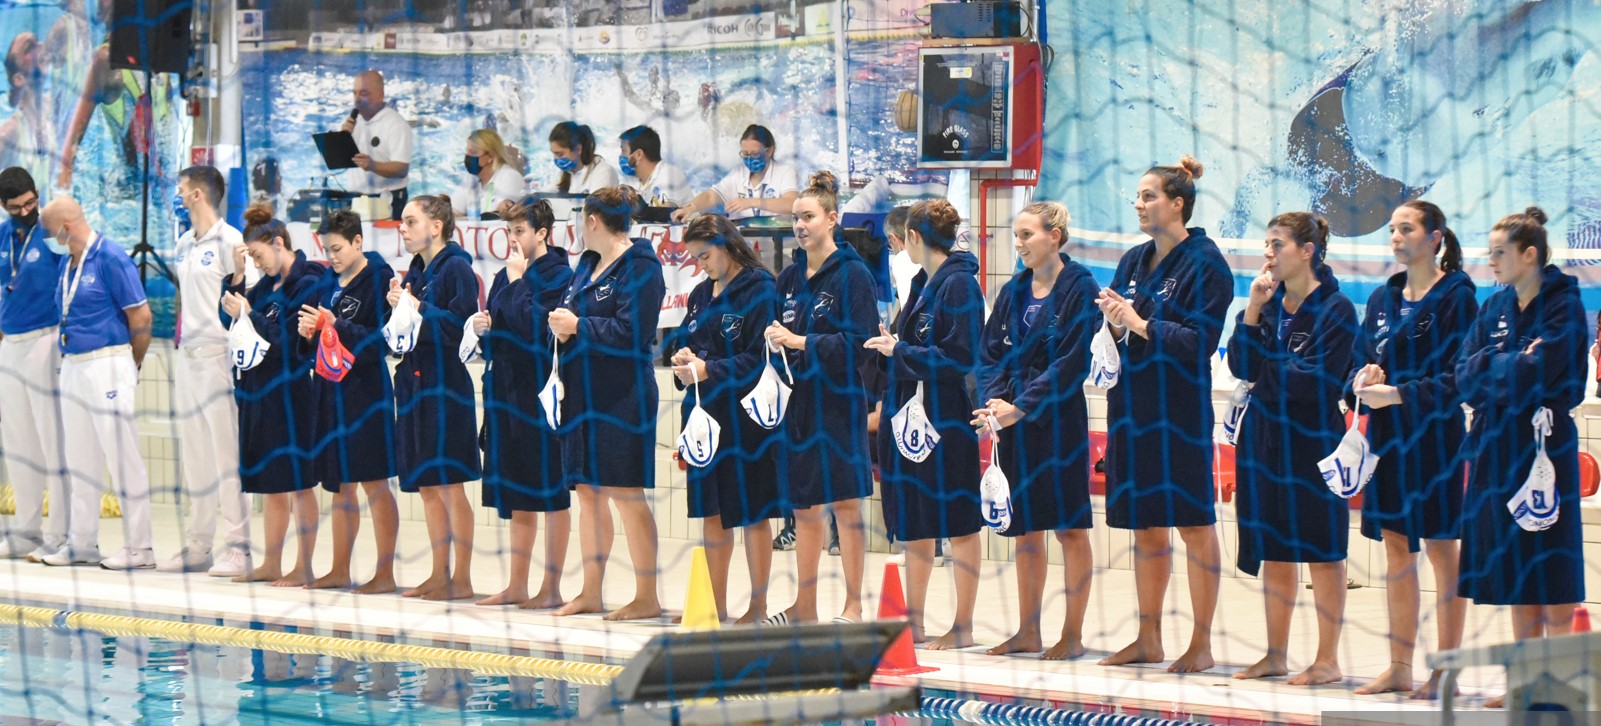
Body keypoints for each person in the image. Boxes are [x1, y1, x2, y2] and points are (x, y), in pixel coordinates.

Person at [1096, 156, 1230, 673]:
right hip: (1132, 408)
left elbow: (1201, 343)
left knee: (1193, 524)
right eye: (1137, 195)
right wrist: (1112, 324)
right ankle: (1148, 638)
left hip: (1179, 412)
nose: (1138, 204)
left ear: (1177, 204)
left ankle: (1201, 643)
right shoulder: (1133, 260)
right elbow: (1117, 327)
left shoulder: (1207, 263)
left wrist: (1139, 323)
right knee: (1146, 527)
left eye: (1148, 196)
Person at [1451, 206, 1586, 709]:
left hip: (1546, 447)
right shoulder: (1494, 306)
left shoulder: (1564, 306)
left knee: (1553, 569)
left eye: (1499, 253)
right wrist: (1509, 363)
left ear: (1529, 254)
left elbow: (1540, 374)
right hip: (1497, 445)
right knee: (1515, 570)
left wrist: (1497, 366)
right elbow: (1464, 374)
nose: (1491, 261)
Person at [1348, 200, 1474, 698]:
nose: (1396, 237)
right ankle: (1400, 666)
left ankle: (1447, 670)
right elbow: (1360, 358)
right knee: (1396, 548)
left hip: (1436, 440)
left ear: (1435, 237)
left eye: (1407, 229)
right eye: (1393, 229)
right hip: (1389, 438)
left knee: (1442, 549)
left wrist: (1398, 392)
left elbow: (1459, 378)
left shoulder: (1457, 298)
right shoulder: (1384, 297)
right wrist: (1361, 379)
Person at [1226, 212, 1357, 686]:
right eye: (1266, 243)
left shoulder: (1337, 309)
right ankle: (1275, 654)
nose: (1268, 253)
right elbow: (1241, 365)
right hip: (1264, 439)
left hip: (1313, 440)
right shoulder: (1268, 303)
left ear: (1306, 251)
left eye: (1276, 244)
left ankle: (1327, 659)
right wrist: (1252, 310)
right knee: (1275, 549)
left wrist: (1268, 370)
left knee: (1323, 550)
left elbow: (1315, 381)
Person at [975, 201, 1100, 660]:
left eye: (1027, 234)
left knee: (1069, 529)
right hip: (1013, 423)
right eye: (1017, 235)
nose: (1019, 243)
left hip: (1057, 423)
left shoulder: (1080, 287)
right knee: (1024, 530)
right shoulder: (1014, 290)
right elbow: (990, 353)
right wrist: (996, 402)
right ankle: (1028, 631)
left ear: (1055, 236)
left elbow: (1073, 361)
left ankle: (1073, 633)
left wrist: (1022, 406)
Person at [864, 199, 984, 648]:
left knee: (958, 523)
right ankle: (912, 622)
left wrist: (900, 351)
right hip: (908, 418)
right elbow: (908, 347)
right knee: (915, 520)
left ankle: (963, 626)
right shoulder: (921, 282)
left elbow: (961, 357)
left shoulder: (960, 285)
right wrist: (889, 349)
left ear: (914, 237)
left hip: (945, 419)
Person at [763, 171, 878, 625]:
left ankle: (854, 605)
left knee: (846, 506)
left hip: (838, 402)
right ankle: (804, 607)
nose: (799, 225)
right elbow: (778, 334)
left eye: (808, 217)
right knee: (805, 508)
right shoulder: (790, 278)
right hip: (798, 406)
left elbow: (860, 344)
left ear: (831, 219)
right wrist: (776, 344)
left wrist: (802, 342)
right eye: (795, 218)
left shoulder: (853, 275)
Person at [548, 186, 666, 621]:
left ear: (593, 220)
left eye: (582, 220)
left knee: (626, 493)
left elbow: (634, 334)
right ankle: (590, 592)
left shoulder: (642, 267)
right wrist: (561, 327)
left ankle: (647, 596)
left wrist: (579, 326)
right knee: (589, 493)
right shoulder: (587, 265)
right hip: (582, 393)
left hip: (623, 395)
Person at [666, 214, 781, 623]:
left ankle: (758, 606)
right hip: (704, 419)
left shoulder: (761, 289)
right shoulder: (701, 294)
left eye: (705, 255)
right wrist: (682, 359)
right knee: (712, 512)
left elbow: (760, 358)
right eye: (695, 258)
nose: (701, 265)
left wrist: (708, 369)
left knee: (752, 513)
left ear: (727, 245)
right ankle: (714, 605)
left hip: (745, 422)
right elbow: (685, 342)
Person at [36, 197, 154, 569]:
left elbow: (141, 316)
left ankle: (140, 547)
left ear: (65, 227)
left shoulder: (111, 257)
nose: (46, 240)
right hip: (73, 365)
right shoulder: (67, 263)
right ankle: (82, 543)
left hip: (108, 364)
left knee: (122, 457)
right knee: (79, 459)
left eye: (48, 232)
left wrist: (131, 364)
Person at [473, 198, 573, 610]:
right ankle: (516, 585)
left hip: (541, 397)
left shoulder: (560, 275)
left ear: (542, 233)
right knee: (516, 494)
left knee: (551, 493)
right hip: (505, 393)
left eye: (519, 231)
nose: (512, 239)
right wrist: (483, 330)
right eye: (508, 231)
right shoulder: (505, 274)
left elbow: (538, 331)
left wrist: (516, 284)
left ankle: (551, 587)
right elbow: (502, 334)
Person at [297, 210, 400, 594]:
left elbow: (382, 342)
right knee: (340, 485)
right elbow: (319, 339)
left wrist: (335, 324)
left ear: (358, 242)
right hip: (330, 392)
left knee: (375, 483)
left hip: (366, 394)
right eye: (327, 249)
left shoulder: (379, 279)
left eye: (338, 248)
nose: (332, 256)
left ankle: (385, 573)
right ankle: (340, 569)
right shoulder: (328, 282)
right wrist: (309, 333)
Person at [222, 205, 326, 585]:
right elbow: (230, 321)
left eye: (258, 255)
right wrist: (237, 278)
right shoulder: (266, 286)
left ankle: (304, 565)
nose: (257, 264)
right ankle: (271, 562)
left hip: (293, 394)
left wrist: (251, 314)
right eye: (251, 258)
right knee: (271, 484)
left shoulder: (309, 282)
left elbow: (290, 344)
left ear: (279, 243)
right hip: (260, 393)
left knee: (299, 483)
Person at [159, 165, 253, 577]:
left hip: (219, 355)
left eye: (182, 189)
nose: (178, 196)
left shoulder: (232, 241)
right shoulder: (184, 243)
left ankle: (240, 547)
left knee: (226, 455)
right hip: (188, 355)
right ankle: (199, 545)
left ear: (197, 194)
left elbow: (246, 301)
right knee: (194, 454)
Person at [387, 194, 482, 600]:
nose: (403, 228)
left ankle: (462, 577)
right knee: (427, 485)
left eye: (410, 221)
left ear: (436, 227)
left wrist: (417, 306)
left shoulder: (457, 268)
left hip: (446, 387)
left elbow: (462, 327)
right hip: (416, 385)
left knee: (449, 486)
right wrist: (397, 309)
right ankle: (439, 572)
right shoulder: (417, 270)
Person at [0, 167, 67, 562]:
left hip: (47, 338)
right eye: (16, 208)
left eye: (30, 203)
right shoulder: (3, 236)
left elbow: (71, 280)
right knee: (18, 441)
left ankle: (59, 533)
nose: (26, 212)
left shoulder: (52, 232)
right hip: (11, 344)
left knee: (53, 440)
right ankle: (26, 531)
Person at [671, 125, 799, 223]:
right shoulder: (738, 174)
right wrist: (690, 208)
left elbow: (792, 204)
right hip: (743, 245)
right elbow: (711, 195)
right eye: (745, 154)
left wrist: (751, 202)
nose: (749, 159)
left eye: (755, 154)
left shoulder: (785, 172)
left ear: (769, 151)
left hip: (777, 245)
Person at [337, 70, 412, 220]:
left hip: (387, 200)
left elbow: (402, 169)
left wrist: (373, 165)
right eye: (354, 93)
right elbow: (339, 162)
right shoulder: (352, 123)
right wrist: (342, 139)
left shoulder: (396, 125)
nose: (357, 99)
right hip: (356, 199)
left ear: (380, 95)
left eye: (363, 93)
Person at [453, 128, 524, 220]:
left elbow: (499, 217)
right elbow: (454, 211)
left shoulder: (510, 177)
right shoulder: (470, 178)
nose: (468, 157)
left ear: (490, 156)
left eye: (473, 152)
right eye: (467, 152)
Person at [618, 125, 692, 208]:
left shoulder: (669, 175)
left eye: (624, 151)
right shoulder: (631, 181)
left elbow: (664, 212)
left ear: (639, 154)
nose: (621, 156)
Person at [548, 122, 618, 195]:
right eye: (553, 153)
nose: (556, 158)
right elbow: (544, 196)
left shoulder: (604, 172)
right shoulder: (563, 175)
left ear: (578, 149)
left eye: (560, 154)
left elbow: (596, 202)